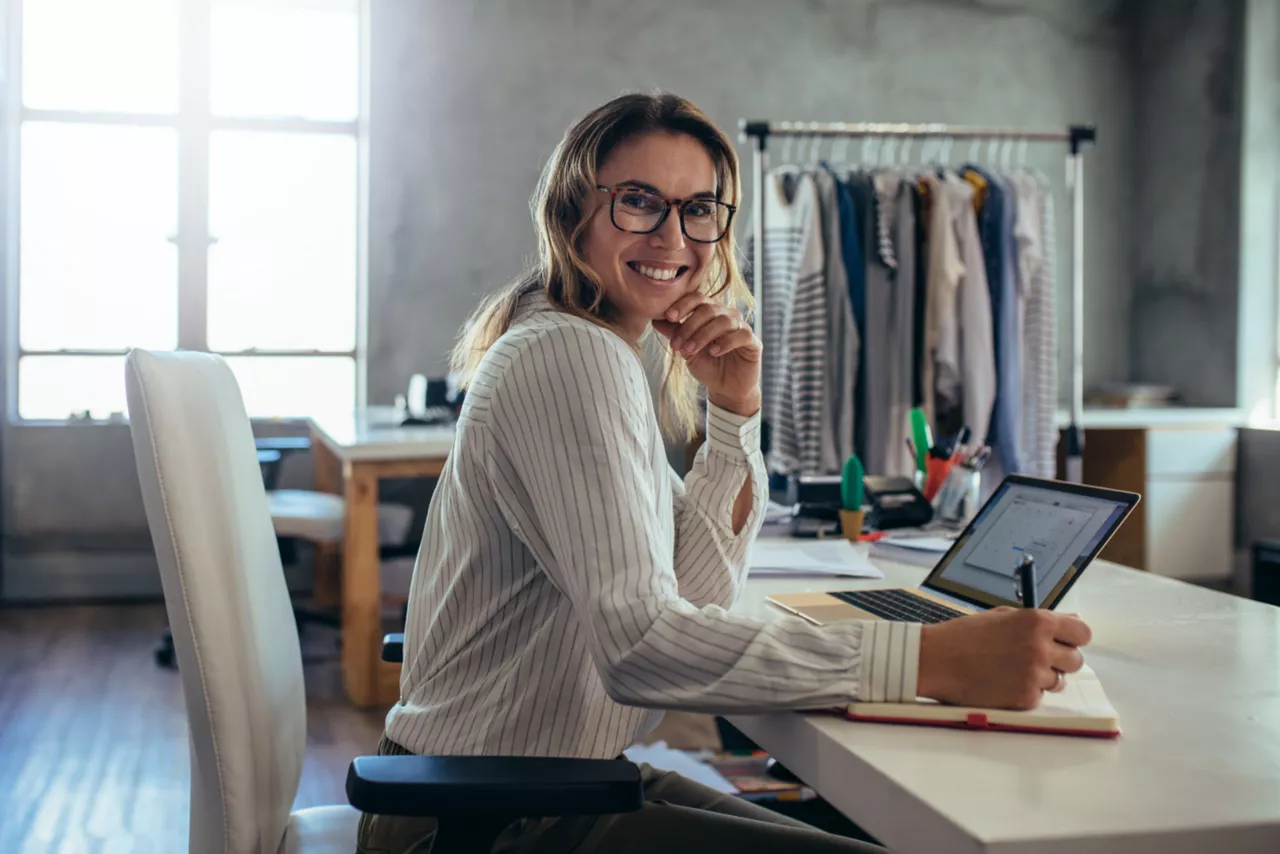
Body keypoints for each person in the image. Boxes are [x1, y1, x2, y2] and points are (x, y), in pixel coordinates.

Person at [357, 92, 1092, 853]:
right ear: (572, 211)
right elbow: (642, 648)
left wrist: (734, 411)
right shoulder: (567, 356)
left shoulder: (599, 351)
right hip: (486, 822)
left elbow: (697, 593)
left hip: (550, 791)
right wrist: (928, 659)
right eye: (639, 202)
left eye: (698, 208)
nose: (674, 235)